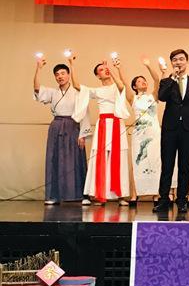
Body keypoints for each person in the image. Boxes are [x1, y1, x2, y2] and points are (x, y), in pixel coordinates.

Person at [152, 49, 189, 214]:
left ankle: (182, 200)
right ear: (172, 63)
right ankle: (164, 200)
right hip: (169, 129)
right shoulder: (167, 81)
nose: (178, 62)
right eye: (175, 60)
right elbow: (162, 97)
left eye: (181, 59)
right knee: (167, 165)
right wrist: (172, 78)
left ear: (187, 61)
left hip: (187, 129)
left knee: (184, 166)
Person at [71, 55, 130, 205]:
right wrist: (71, 64)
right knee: (100, 157)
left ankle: (120, 195)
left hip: (117, 123)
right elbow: (77, 86)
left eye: (106, 68)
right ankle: (98, 193)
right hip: (103, 124)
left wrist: (113, 69)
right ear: (97, 76)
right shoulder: (97, 90)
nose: (106, 70)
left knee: (119, 157)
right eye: (102, 70)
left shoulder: (116, 86)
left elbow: (121, 85)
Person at [33, 54, 90, 205]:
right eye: (57, 74)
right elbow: (37, 89)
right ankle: (54, 195)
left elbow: (84, 113)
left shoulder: (78, 92)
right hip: (57, 126)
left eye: (63, 73)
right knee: (55, 158)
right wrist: (38, 68)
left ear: (69, 75)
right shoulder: (53, 92)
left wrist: (83, 134)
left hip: (73, 125)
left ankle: (81, 195)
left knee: (75, 159)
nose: (60, 76)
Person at [115, 58, 161, 206]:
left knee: (155, 160)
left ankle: (156, 194)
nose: (143, 82)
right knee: (138, 161)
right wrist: (118, 68)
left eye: (144, 80)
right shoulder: (132, 98)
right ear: (134, 86)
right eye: (139, 81)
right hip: (139, 135)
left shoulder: (153, 96)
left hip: (154, 133)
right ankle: (135, 194)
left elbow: (157, 80)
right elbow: (123, 82)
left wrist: (148, 66)